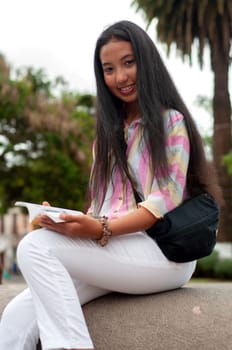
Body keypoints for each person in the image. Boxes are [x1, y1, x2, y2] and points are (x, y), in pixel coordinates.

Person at [0, 20, 220, 350]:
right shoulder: (106, 136)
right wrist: (63, 220)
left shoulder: (170, 122)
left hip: (165, 251)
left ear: (146, 61)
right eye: (109, 68)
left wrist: (100, 229)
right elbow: (100, 208)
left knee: (34, 247)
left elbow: (164, 200)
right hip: (117, 250)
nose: (120, 77)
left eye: (128, 63)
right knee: (16, 315)